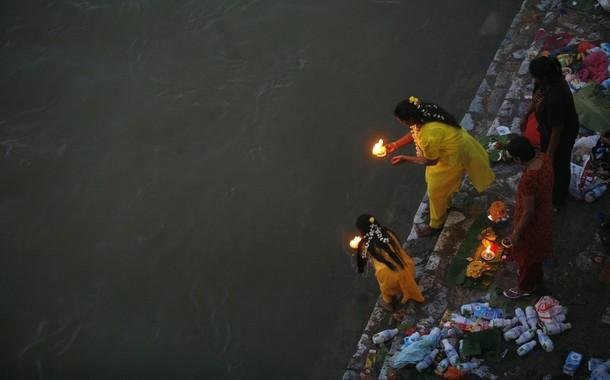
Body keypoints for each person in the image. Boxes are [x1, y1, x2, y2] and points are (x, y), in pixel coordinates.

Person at [386, 96, 495, 235]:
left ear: (411, 119)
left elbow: (431, 161)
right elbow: (414, 132)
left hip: (453, 156)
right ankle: (445, 204)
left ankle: (435, 225)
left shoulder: (428, 134)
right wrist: (396, 145)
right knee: (436, 184)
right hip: (453, 146)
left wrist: (405, 158)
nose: (401, 123)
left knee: (435, 191)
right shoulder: (424, 112)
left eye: (402, 121)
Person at [503, 137, 553, 299]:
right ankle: (536, 277)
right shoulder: (544, 159)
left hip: (533, 222)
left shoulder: (528, 179)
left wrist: (516, 233)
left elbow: (529, 211)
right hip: (546, 213)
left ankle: (525, 287)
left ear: (518, 159)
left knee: (526, 256)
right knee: (536, 253)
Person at [526, 56, 579, 209]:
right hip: (547, 129)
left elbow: (558, 130)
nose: (534, 79)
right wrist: (526, 115)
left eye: (535, 76)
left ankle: (558, 199)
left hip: (562, 135)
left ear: (544, 77)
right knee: (547, 162)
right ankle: (549, 184)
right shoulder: (543, 84)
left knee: (559, 165)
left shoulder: (557, 96)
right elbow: (536, 99)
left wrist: (550, 153)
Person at [354, 214, 424, 311]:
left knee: (381, 278)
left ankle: (388, 302)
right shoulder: (387, 232)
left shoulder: (367, 246)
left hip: (395, 282)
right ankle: (409, 283)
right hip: (410, 269)